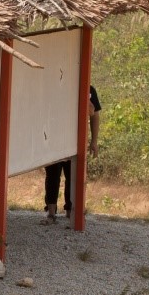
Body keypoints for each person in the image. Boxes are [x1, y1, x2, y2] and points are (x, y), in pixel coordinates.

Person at [45, 85, 102, 223]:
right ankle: (51, 212)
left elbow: (94, 115)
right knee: (52, 175)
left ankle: (71, 211)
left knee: (73, 176)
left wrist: (94, 141)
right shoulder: (55, 84)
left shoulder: (88, 88)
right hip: (54, 139)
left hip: (76, 140)